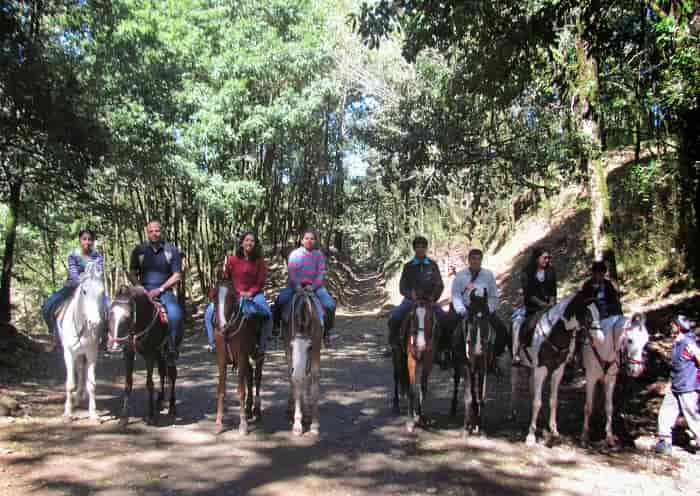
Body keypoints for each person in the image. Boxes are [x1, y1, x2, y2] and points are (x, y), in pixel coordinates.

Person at [129, 220, 183, 365]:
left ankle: (172, 347)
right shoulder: (139, 250)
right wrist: (139, 286)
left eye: (157, 231)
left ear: (161, 231)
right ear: (147, 233)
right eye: (151, 231)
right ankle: (125, 345)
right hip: (143, 290)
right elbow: (133, 273)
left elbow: (177, 275)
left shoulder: (171, 250)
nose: (154, 234)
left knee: (175, 314)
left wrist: (160, 289)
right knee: (124, 311)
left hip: (164, 290)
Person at [42, 229, 107, 351]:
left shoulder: (97, 256)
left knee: (107, 307)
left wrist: (90, 281)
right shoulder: (73, 255)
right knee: (48, 305)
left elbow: (98, 272)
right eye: (84, 239)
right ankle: (55, 336)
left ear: (93, 241)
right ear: (80, 240)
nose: (87, 242)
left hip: (92, 289)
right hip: (72, 286)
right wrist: (81, 281)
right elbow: (73, 273)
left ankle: (104, 338)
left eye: (90, 239)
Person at [273, 229, 336, 341]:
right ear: (302, 241)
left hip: (315, 288)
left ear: (315, 241)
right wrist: (297, 285)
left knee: (330, 305)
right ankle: (277, 327)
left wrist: (313, 286)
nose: (309, 241)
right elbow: (292, 272)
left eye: (312, 239)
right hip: (295, 287)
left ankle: (327, 331)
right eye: (306, 238)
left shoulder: (319, 255)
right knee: (280, 300)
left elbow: (320, 273)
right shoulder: (295, 254)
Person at [387, 236, 445, 348]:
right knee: (394, 317)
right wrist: (410, 294)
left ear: (426, 248)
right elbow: (402, 287)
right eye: (417, 247)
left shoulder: (433, 265)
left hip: (429, 300)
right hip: (411, 300)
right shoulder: (408, 266)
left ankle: (444, 349)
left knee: (444, 318)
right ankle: (395, 344)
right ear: (414, 249)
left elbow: (439, 284)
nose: (420, 249)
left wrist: (433, 297)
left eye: (423, 247)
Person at [450, 249, 509, 357]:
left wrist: (489, 309)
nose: (475, 261)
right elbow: (456, 294)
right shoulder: (460, 276)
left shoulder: (488, 275)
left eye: (478, 259)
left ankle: (495, 357)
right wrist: (461, 309)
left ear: (481, 260)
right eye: (473, 258)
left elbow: (493, 295)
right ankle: (454, 358)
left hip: (484, 309)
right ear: (469, 260)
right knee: (450, 327)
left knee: (502, 330)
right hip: (466, 308)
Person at [222, 231, 273, 356]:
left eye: (252, 241)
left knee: (267, 314)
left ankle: (261, 345)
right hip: (235, 295)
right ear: (242, 243)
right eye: (247, 240)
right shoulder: (232, 260)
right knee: (210, 312)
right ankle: (215, 344)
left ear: (255, 244)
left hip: (255, 295)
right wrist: (236, 292)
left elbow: (261, 280)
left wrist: (250, 293)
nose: (249, 243)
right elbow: (226, 279)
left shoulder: (259, 261)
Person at [654, 315, 700, 455]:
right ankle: (665, 442)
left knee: (692, 416)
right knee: (665, 413)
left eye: (673, 324)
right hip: (676, 385)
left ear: (678, 327)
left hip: (688, 387)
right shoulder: (677, 342)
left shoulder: (689, 343)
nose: (671, 326)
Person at [512, 246, 557, 362]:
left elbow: (553, 290)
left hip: (550, 306)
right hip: (533, 308)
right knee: (517, 325)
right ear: (537, 258)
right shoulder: (526, 273)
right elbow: (529, 294)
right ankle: (516, 352)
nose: (547, 260)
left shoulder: (551, 271)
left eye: (549, 258)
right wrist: (542, 304)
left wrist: (551, 303)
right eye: (545, 258)